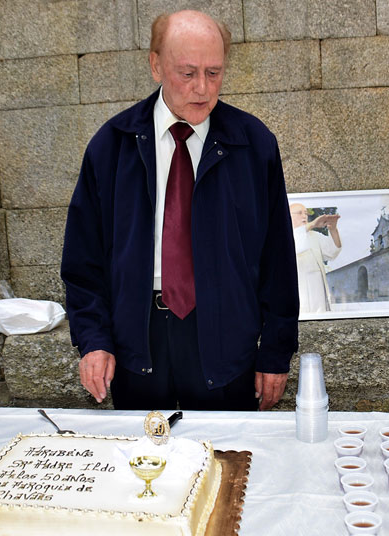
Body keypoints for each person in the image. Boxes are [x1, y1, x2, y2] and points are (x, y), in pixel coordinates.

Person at [60, 10, 298, 412]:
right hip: (138, 343)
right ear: (156, 65)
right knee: (145, 465)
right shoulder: (112, 146)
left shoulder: (253, 145)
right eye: (187, 74)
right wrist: (94, 340)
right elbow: (83, 262)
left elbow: (278, 259)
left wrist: (275, 352)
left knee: (227, 465)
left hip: (225, 342)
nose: (203, 88)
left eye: (214, 72)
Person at [289, 203, 341, 313]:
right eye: (300, 213)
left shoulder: (313, 235)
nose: (304, 216)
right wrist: (312, 224)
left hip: (317, 292)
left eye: (306, 213)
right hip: (297, 293)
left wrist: (333, 229)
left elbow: (333, 251)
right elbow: (293, 247)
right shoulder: (282, 235)